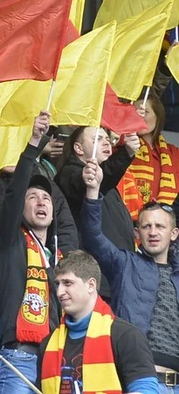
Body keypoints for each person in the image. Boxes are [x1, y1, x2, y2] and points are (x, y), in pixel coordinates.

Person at [0, 159, 78, 394]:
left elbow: (66, 230)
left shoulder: (46, 184)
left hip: (32, 299)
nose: (41, 201)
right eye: (32, 198)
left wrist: (60, 268)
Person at [0, 111, 71, 393]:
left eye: (46, 198)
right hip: (19, 359)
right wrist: (33, 145)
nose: (41, 202)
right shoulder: (9, 243)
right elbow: (13, 197)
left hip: (56, 363)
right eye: (33, 197)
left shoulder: (59, 258)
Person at [81, 162, 179, 388]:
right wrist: (93, 191)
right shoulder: (124, 263)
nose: (153, 232)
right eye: (146, 227)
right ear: (137, 233)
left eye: (159, 227)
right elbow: (93, 236)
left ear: (174, 233)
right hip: (138, 380)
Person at [37, 251, 158, 394]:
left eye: (67, 283)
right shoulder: (47, 343)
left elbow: (146, 389)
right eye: (57, 284)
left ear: (91, 285)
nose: (59, 292)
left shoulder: (127, 336)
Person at [57, 126, 139, 256]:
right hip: (91, 262)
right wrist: (126, 153)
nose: (106, 143)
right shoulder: (69, 173)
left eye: (107, 139)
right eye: (97, 139)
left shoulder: (107, 181)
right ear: (79, 148)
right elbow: (83, 184)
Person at [120, 96, 179, 219]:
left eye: (145, 111)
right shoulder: (122, 148)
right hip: (130, 221)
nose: (139, 116)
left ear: (158, 117)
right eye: (135, 112)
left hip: (167, 222)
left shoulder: (173, 153)